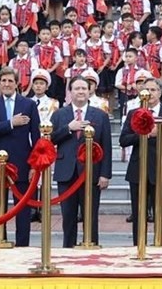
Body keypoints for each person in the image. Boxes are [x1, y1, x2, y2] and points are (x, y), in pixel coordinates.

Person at [0, 66, 41, 247]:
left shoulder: (29, 105)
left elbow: (36, 137)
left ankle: (23, 246)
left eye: (10, 81)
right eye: (4, 81)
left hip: (22, 163)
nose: (6, 84)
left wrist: (34, 165)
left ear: (17, 84)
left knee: (22, 209)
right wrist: (10, 123)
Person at [50, 75, 112, 248]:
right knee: (68, 217)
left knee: (90, 216)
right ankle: (68, 250)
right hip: (66, 172)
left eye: (84, 88)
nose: (80, 92)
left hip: (91, 173)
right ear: (70, 92)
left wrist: (105, 174)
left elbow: (106, 145)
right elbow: (50, 140)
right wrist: (69, 129)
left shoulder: (100, 115)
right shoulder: (59, 115)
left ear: (89, 91)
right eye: (77, 88)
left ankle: (91, 249)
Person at [119, 77, 162, 246]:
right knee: (138, 213)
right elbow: (123, 140)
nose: (150, 94)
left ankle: (160, 245)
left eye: (154, 90)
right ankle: (138, 246)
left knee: (160, 212)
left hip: (160, 170)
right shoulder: (134, 113)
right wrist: (144, 134)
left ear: (160, 92)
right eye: (147, 90)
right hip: (137, 170)